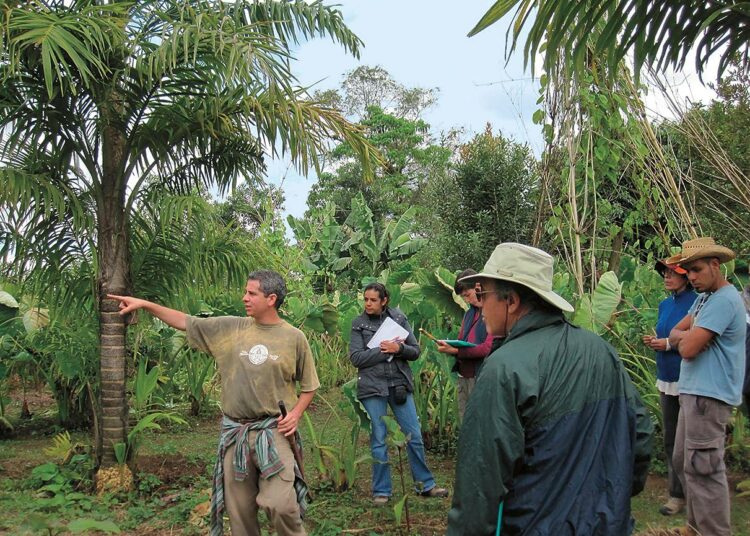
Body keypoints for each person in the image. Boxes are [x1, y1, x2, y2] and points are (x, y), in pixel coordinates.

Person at [447, 243, 652, 535]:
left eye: (483, 294)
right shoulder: (601, 350)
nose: (479, 307)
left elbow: (480, 482)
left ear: (512, 301)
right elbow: (640, 434)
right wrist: (610, 496)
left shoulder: (503, 368)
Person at [109, 270, 319, 536]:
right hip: (236, 434)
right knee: (239, 512)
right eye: (246, 291)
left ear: (271, 298)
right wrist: (146, 305)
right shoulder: (231, 328)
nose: (245, 298)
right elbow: (187, 322)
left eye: (251, 293)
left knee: (280, 504)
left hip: (274, 432)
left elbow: (309, 386)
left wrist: (296, 414)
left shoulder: (294, 338)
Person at [667, 237, 747, 536]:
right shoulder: (704, 299)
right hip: (693, 392)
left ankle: (713, 531)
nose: (692, 277)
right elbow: (677, 332)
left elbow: (686, 348)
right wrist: (686, 338)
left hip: (709, 396)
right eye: (688, 271)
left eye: (697, 270)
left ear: (716, 265)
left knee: (704, 468)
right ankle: (695, 526)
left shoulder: (725, 300)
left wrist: (686, 340)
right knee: (683, 461)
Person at [349, 282, 448, 505]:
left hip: (399, 384)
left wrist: (400, 349)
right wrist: (385, 351)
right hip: (373, 387)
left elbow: (414, 351)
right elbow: (356, 358)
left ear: (384, 300)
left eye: (373, 300)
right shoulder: (358, 324)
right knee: (379, 438)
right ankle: (381, 491)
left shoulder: (399, 318)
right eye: (365, 299)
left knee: (414, 434)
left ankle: (425, 485)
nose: (367, 303)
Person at [642, 259, 696, 516]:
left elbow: (696, 337)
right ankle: (676, 494)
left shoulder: (697, 302)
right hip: (666, 377)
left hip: (688, 377)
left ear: (686, 277)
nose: (666, 276)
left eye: (672, 273)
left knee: (691, 439)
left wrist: (667, 344)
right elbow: (668, 334)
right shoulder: (665, 304)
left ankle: (694, 493)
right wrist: (655, 341)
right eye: (665, 272)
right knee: (671, 438)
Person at [436, 269, 496, 419]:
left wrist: (457, 351)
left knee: (481, 421)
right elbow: (462, 339)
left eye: (468, 295)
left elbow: (487, 348)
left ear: (478, 287)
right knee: (466, 419)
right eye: (464, 297)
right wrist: (451, 346)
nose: (468, 300)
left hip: (481, 375)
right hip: (464, 374)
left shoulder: (493, 311)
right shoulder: (470, 313)